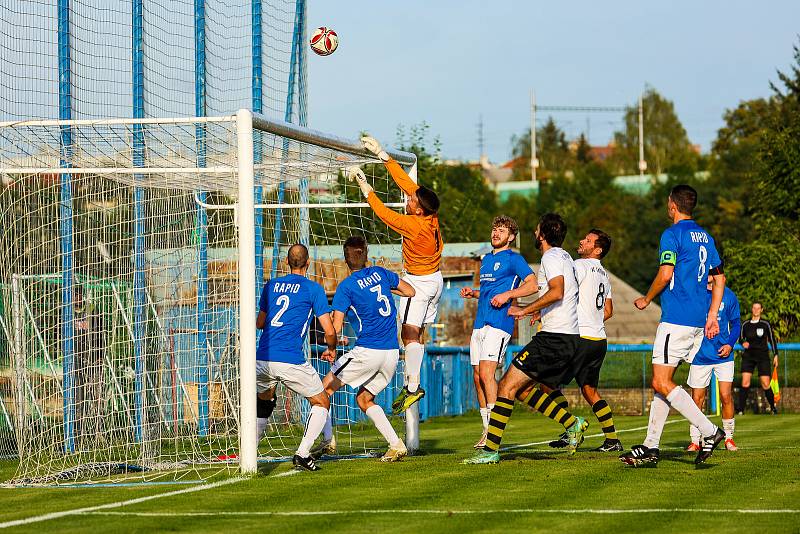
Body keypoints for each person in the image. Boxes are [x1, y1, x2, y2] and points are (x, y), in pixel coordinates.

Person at [464, 213, 588, 465]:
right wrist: (538, 311)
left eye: (537, 229)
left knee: (505, 387)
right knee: (521, 389)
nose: (534, 232)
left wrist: (524, 309)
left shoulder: (551, 256)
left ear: (542, 234)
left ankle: (490, 449)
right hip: (563, 336)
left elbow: (557, 291)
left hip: (555, 337)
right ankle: (572, 423)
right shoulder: (565, 256)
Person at [620, 184, 726, 467]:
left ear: (673, 205)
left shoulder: (672, 235)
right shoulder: (706, 237)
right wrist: (713, 314)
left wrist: (647, 297)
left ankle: (709, 431)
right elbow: (720, 279)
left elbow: (665, 274)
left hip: (676, 318)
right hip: (697, 321)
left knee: (661, 381)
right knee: (662, 384)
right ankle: (651, 447)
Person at [353, 136, 444, 415]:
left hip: (417, 283)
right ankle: (412, 384)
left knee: (409, 334)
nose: (408, 198)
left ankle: (413, 387)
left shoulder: (414, 226)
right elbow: (407, 184)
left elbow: (383, 214)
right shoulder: (429, 216)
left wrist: (365, 187)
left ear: (418, 209)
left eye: (411, 200)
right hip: (435, 280)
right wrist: (383, 155)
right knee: (418, 336)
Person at [317, 236, 416, 462]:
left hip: (368, 351)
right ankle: (396, 444)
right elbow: (410, 291)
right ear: (367, 254)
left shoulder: (346, 287)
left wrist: (331, 348)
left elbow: (336, 326)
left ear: (345, 259)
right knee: (364, 399)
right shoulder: (381, 274)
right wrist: (390, 290)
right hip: (391, 354)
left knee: (322, 391)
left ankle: (328, 441)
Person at [255, 243, 338, 472]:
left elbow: (260, 323)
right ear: (308, 262)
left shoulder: (270, 285)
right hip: (290, 358)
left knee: (265, 402)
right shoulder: (313, 289)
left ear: (286, 262)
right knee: (321, 401)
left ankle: (249, 454)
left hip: (263, 357)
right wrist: (331, 348)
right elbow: (329, 331)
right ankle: (302, 454)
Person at [460, 215, 537, 449]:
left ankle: (494, 432)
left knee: (486, 374)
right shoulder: (485, 260)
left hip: (498, 324)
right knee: (477, 377)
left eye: (502, 230)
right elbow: (488, 290)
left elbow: (533, 284)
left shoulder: (514, 259)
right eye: (495, 229)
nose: (496, 233)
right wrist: (473, 293)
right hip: (480, 322)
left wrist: (508, 296)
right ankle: (486, 429)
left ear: (511, 237)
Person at [543, 229, 623, 452]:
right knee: (589, 391)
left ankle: (572, 429)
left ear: (597, 250)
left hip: (580, 338)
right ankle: (612, 439)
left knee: (547, 383)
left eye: (587, 241)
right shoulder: (604, 274)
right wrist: (593, 318)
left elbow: (560, 290)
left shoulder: (579, 265)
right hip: (598, 339)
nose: (581, 241)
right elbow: (609, 310)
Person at [686, 276, 741, 452]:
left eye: (713, 271)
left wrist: (730, 344)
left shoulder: (729, 295)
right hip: (699, 357)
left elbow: (736, 324)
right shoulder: (696, 294)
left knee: (726, 396)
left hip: (723, 356)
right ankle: (696, 441)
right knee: (697, 400)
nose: (710, 275)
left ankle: (729, 438)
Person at [739, 302, 779, 415]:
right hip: (748, 356)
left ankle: (773, 407)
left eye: (758, 308)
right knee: (745, 382)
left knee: (765, 383)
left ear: (761, 310)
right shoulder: (745, 324)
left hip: (762, 356)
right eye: (754, 308)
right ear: (752, 309)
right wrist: (743, 342)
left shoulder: (765, 324)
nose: (756, 310)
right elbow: (741, 338)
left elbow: (772, 340)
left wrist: (776, 354)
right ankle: (741, 410)